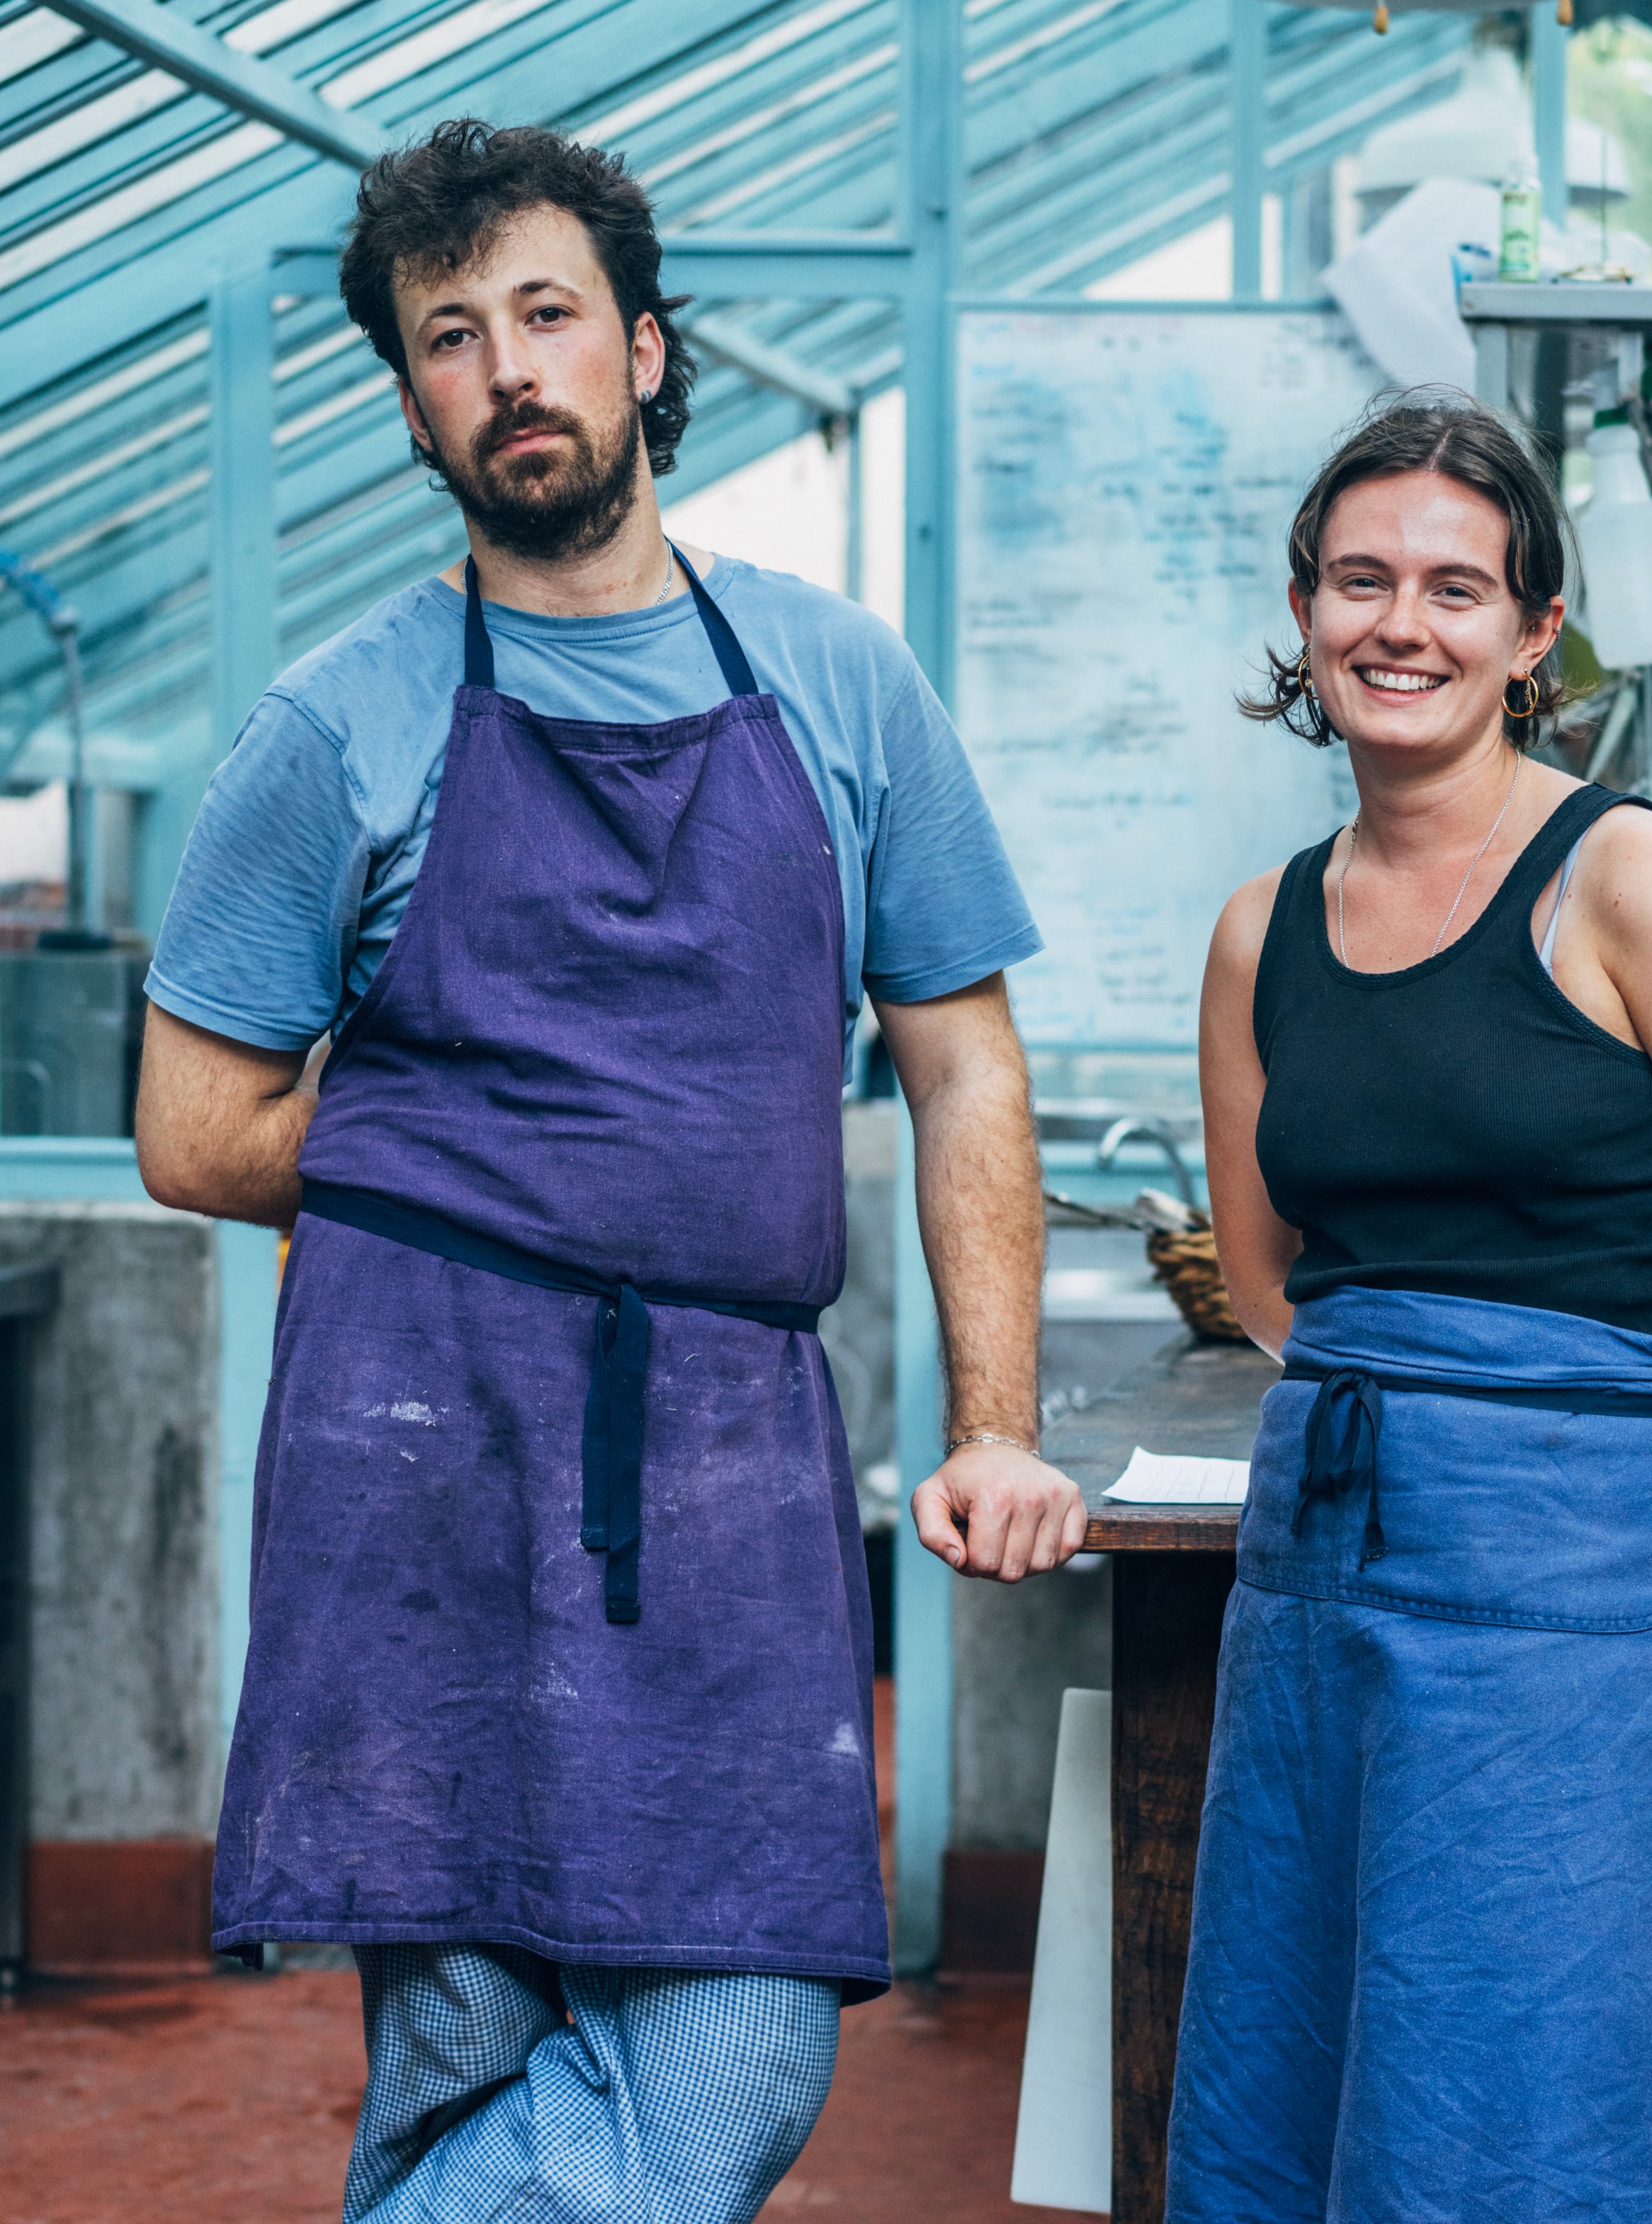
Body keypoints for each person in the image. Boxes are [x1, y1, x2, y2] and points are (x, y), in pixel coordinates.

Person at [135, 118, 1085, 2223]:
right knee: (457, 2041)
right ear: (411, 402)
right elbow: (192, 1136)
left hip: (730, 1461)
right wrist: (472, 1133)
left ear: (649, 353)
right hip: (421, 1453)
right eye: (449, 337)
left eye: (548, 316)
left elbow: (964, 1069)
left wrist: (997, 1423)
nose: (508, 368)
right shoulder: (336, 725)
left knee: (737, 2057)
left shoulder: (838, 682)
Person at [1165, 391, 1652, 2224]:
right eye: (1361, 581)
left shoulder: (1634, 880)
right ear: (1304, 613)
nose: (1403, 625)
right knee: (1297, 2034)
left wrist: (1577, 1385)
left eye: (1456, 589)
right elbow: (1264, 1283)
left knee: (1550, 2060)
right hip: (1322, 1554)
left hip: (1580, 1567)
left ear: (1534, 632)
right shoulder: (1262, 930)